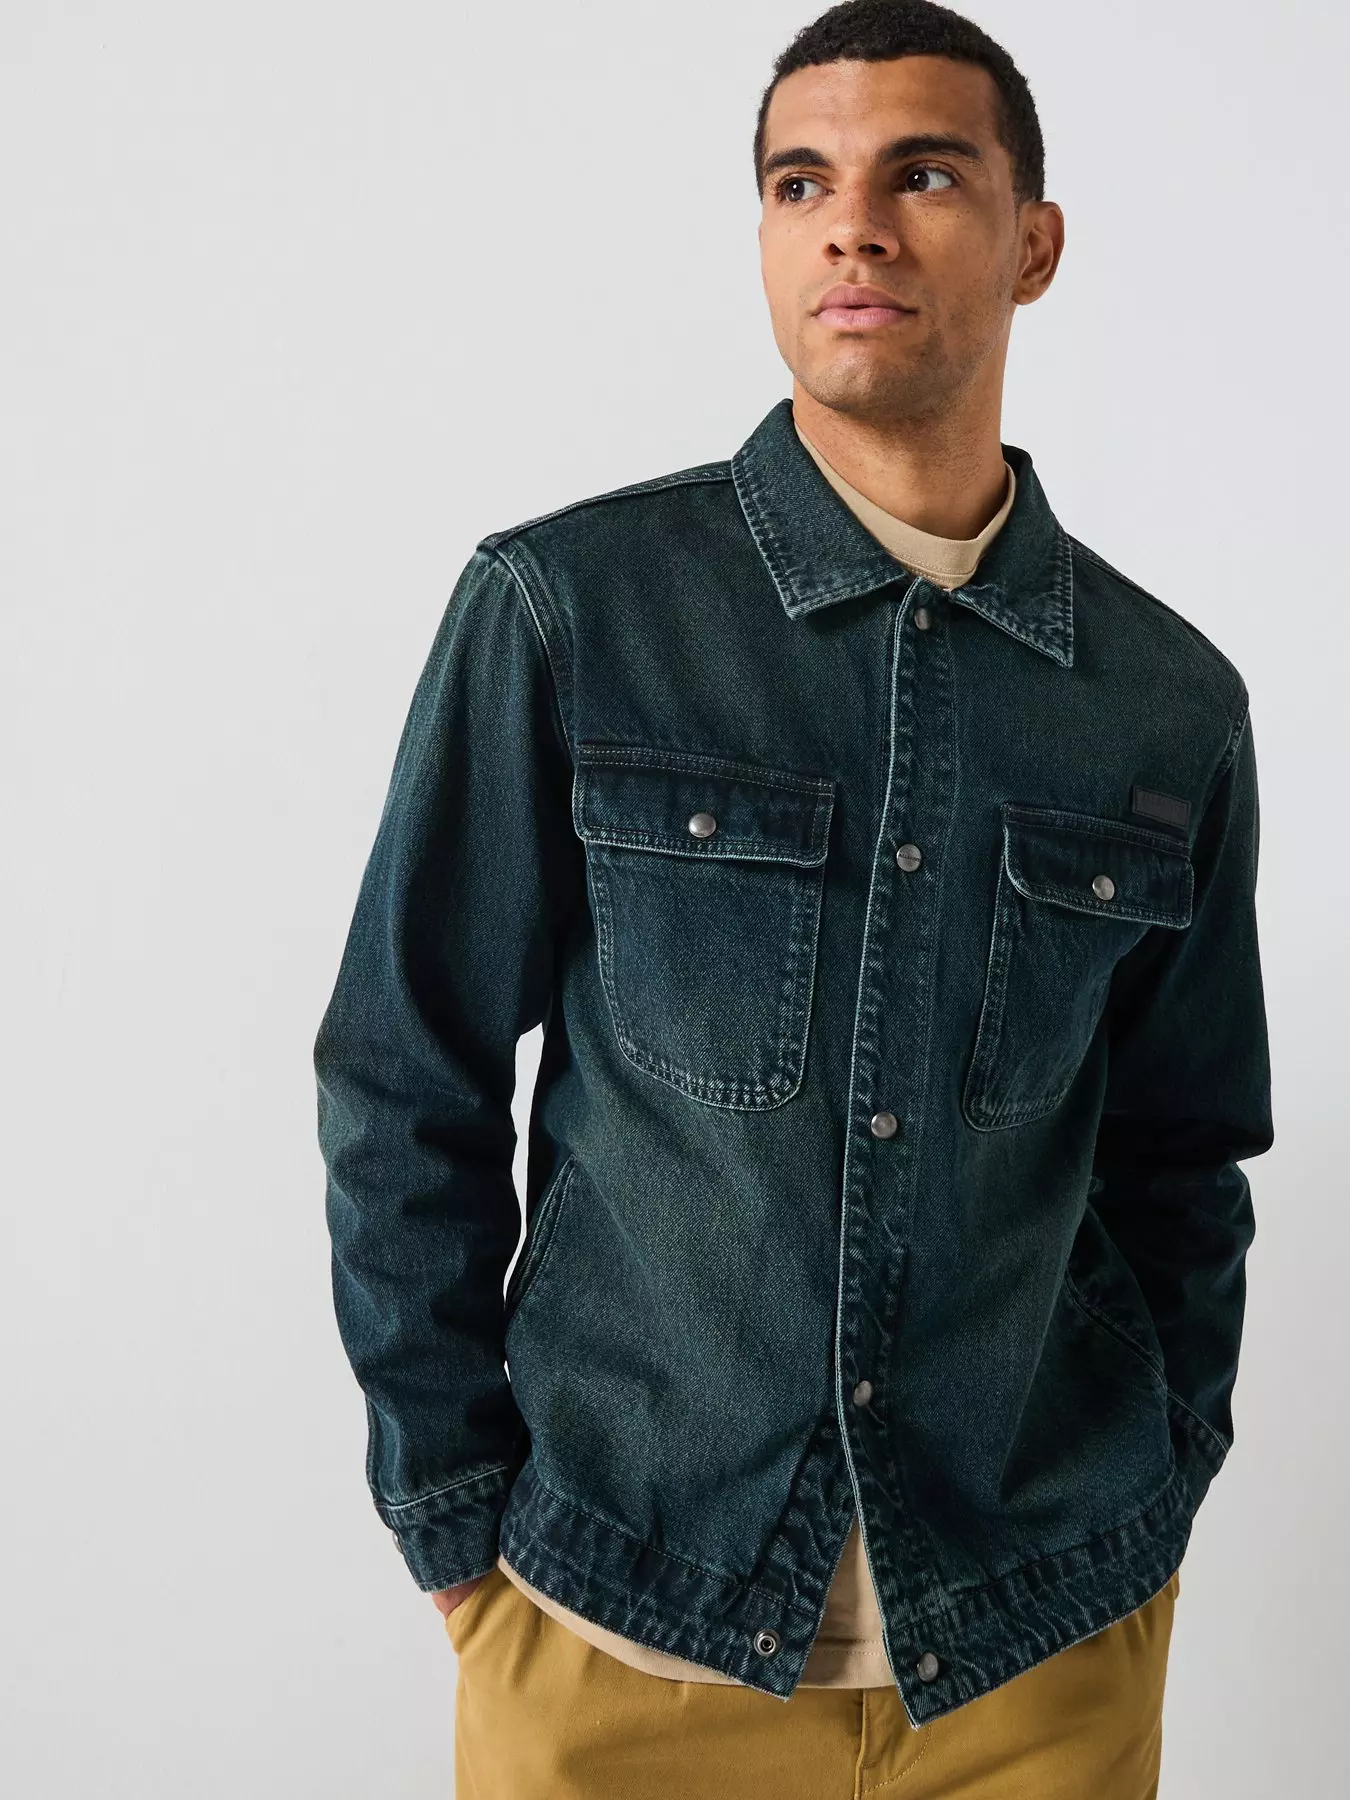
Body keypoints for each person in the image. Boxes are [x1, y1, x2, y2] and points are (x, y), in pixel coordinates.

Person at [313, 1, 1273, 1793]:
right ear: (762, 235)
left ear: (1033, 243)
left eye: (924, 175)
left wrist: (1166, 1470)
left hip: (1040, 1649)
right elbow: (401, 1074)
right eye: (800, 183)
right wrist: (453, 1521)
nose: (854, 228)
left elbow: (1181, 1151)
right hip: (612, 1637)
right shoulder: (567, 611)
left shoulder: (1167, 705)